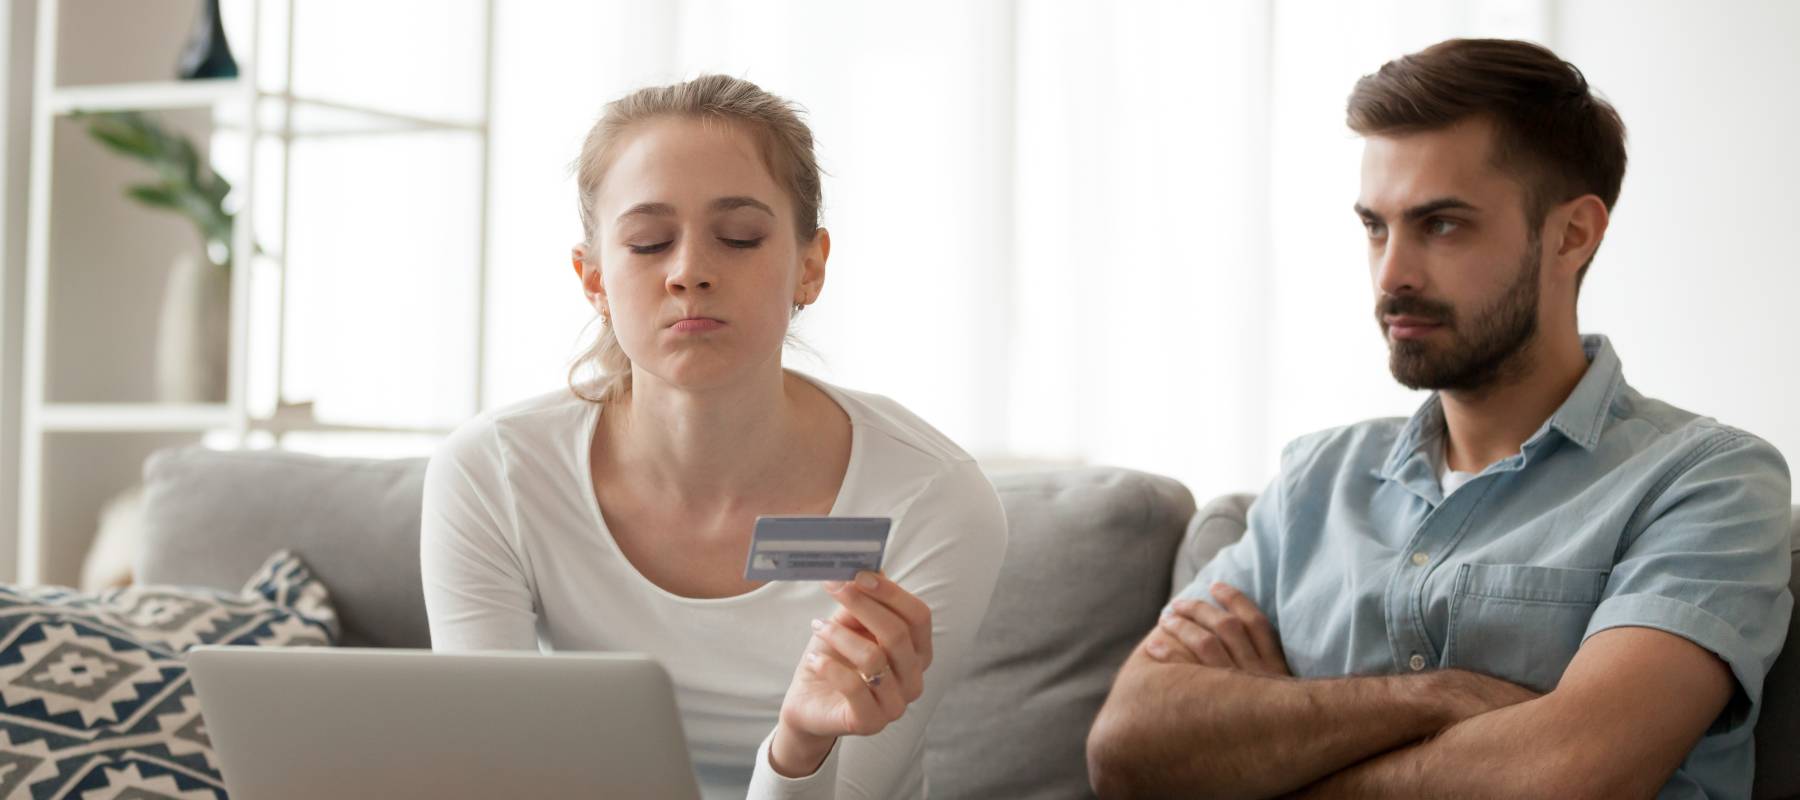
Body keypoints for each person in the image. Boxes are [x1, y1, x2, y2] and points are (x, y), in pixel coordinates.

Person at [1087, 38, 1792, 799]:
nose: (1392, 275)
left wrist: (1277, 754)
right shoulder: (1314, 482)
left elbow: (1566, 778)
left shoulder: (1705, 480)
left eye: (1442, 225)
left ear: (1572, 235)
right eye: (1375, 227)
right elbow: (1126, 750)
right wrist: (1441, 697)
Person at [420, 74, 1009, 799]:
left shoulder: (931, 498)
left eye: (739, 237)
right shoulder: (494, 475)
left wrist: (799, 747)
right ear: (594, 279)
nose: (691, 272)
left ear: (811, 265)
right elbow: (493, 777)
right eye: (647, 243)